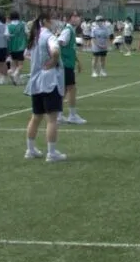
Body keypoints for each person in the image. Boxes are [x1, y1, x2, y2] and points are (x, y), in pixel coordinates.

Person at [23, 12, 67, 162]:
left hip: (35, 81)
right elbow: (55, 50)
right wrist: (53, 61)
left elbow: (26, 54)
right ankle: (52, 152)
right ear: (45, 21)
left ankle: (30, 149)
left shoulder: (34, 37)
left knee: (36, 117)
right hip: (49, 81)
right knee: (52, 119)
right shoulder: (49, 36)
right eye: (52, 19)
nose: (55, 22)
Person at [57, 12, 87, 125]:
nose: (78, 18)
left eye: (78, 16)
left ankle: (59, 115)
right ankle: (72, 115)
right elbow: (58, 42)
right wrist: (59, 59)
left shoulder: (71, 31)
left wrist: (77, 61)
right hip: (65, 65)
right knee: (72, 89)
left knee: (64, 90)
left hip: (68, 64)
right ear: (69, 18)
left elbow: (71, 49)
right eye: (75, 16)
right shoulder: (67, 31)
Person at [7, 11, 27, 84]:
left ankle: (16, 80)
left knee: (14, 64)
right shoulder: (22, 24)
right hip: (21, 46)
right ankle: (15, 75)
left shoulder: (8, 26)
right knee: (20, 64)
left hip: (12, 47)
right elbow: (26, 33)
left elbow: (7, 36)